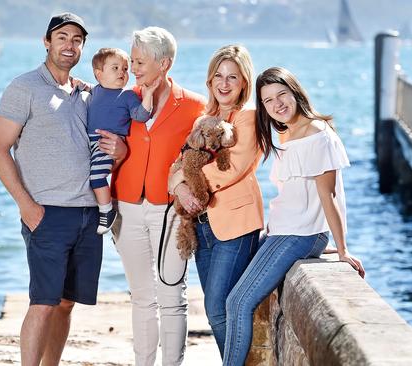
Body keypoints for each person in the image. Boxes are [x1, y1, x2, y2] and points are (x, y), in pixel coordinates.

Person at [0, 13, 125, 366]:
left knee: (66, 303)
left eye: (77, 39)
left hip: (88, 214)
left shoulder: (86, 94)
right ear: (46, 42)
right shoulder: (24, 88)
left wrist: (121, 152)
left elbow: (104, 145)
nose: (69, 44)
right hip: (46, 213)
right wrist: (26, 205)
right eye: (62, 37)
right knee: (43, 301)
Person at [222, 67, 366, 365]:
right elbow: (299, 196)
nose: (277, 104)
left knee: (238, 302)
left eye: (281, 95)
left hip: (297, 234)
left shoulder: (318, 136)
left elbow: (331, 195)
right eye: (268, 101)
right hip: (285, 231)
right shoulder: (288, 133)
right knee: (231, 282)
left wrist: (341, 249)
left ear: (295, 92)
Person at [109, 27, 205, 365]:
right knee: (141, 296)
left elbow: (200, 158)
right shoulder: (124, 99)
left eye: (139, 62)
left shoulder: (195, 106)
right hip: (127, 206)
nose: (133, 68)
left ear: (164, 63)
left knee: (172, 295)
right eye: (132, 60)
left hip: (172, 213)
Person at [167, 44, 264, 358]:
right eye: (218, 76)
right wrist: (180, 189)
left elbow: (232, 169)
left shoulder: (249, 119)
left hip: (236, 225)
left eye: (232, 77)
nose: (224, 83)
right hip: (202, 226)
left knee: (218, 308)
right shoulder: (203, 120)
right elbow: (176, 166)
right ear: (209, 81)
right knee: (215, 311)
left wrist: (183, 181)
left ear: (243, 83)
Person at [85, 47, 160, 234]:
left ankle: (107, 211)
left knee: (97, 177)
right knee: (86, 175)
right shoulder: (93, 91)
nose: (122, 72)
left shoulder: (127, 96)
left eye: (125, 69)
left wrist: (148, 95)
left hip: (107, 143)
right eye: (115, 68)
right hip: (89, 143)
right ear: (99, 74)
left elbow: (141, 115)